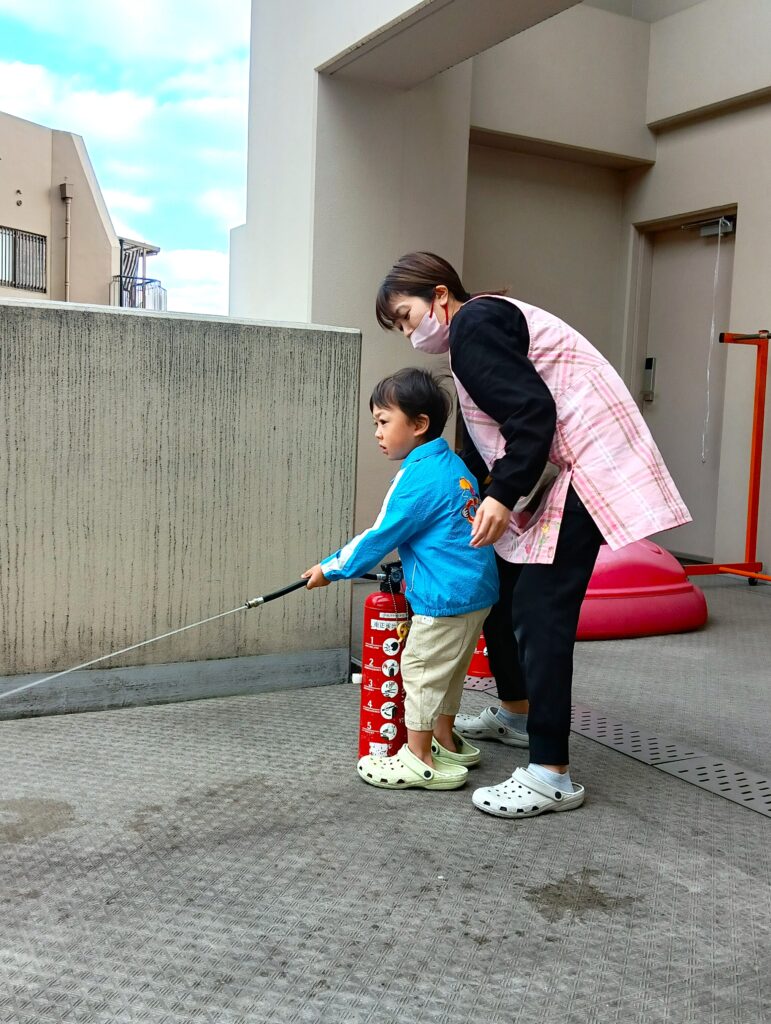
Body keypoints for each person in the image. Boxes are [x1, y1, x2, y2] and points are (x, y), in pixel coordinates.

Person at [375, 252, 691, 819]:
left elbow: (533, 412)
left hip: (584, 467)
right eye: (399, 327)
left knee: (541, 612)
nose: (409, 333)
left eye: (406, 315)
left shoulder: (472, 323)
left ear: (440, 295)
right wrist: (474, 495)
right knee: (501, 587)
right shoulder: (473, 335)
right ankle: (517, 714)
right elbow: (487, 434)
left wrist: (499, 495)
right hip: (555, 470)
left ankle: (551, 773)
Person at [304, 367, 498, 791]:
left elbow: (381, 535)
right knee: (448, 672)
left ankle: (417, 758)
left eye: (383, 421)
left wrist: (330, 569)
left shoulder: (418, 478)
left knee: (421, 671)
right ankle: (445, 739)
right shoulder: (451, 464)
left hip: (443, 597)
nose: (376, 432)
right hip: (475, 592)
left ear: (419, 424)